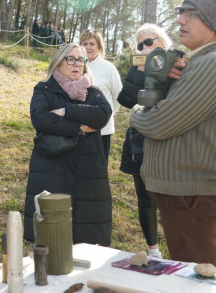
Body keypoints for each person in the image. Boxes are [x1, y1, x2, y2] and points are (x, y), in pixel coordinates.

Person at [130, 0, 216, 270]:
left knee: (200, 280)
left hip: (192, 196)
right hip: (186, 194)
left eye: (188, 13)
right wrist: (159, 81)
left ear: (212, 21)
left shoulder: (214, 65)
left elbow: (156, 123)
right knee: (191, 277)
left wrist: (136, 111)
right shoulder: (200, 62)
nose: (180, 19)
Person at [24, 42, 112, 245]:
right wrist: (80, 128)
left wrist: (66, 111)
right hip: (52, 168)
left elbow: (102, 115)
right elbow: (40, 119)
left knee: (86, 236)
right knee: (52, 237)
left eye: (81, 59)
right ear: (58, 63)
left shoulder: (92, 91)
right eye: (70, 59)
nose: (77, 64)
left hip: (87, 171)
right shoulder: (44, 89)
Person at [118, 23, 176, 259]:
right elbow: (126, 99)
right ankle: (153, 249)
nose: (144, 47)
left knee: (172, 200)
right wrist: (139, 72)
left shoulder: (178, 63)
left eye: (149, 42)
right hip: (140, 143)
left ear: (163, 42)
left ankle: (178, 247)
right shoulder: (138, 68)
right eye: (140, 44)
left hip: (170, 144)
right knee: (145, 198)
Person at [79, 30, 122, 162]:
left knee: (99, 168)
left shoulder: (108, 68)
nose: (88, 47)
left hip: (102, 130)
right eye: (84, 43)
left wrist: (105, 115)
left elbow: (117, 96)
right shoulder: (75, 65)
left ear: (99, 46)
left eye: (92, 43)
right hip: (79, 128)